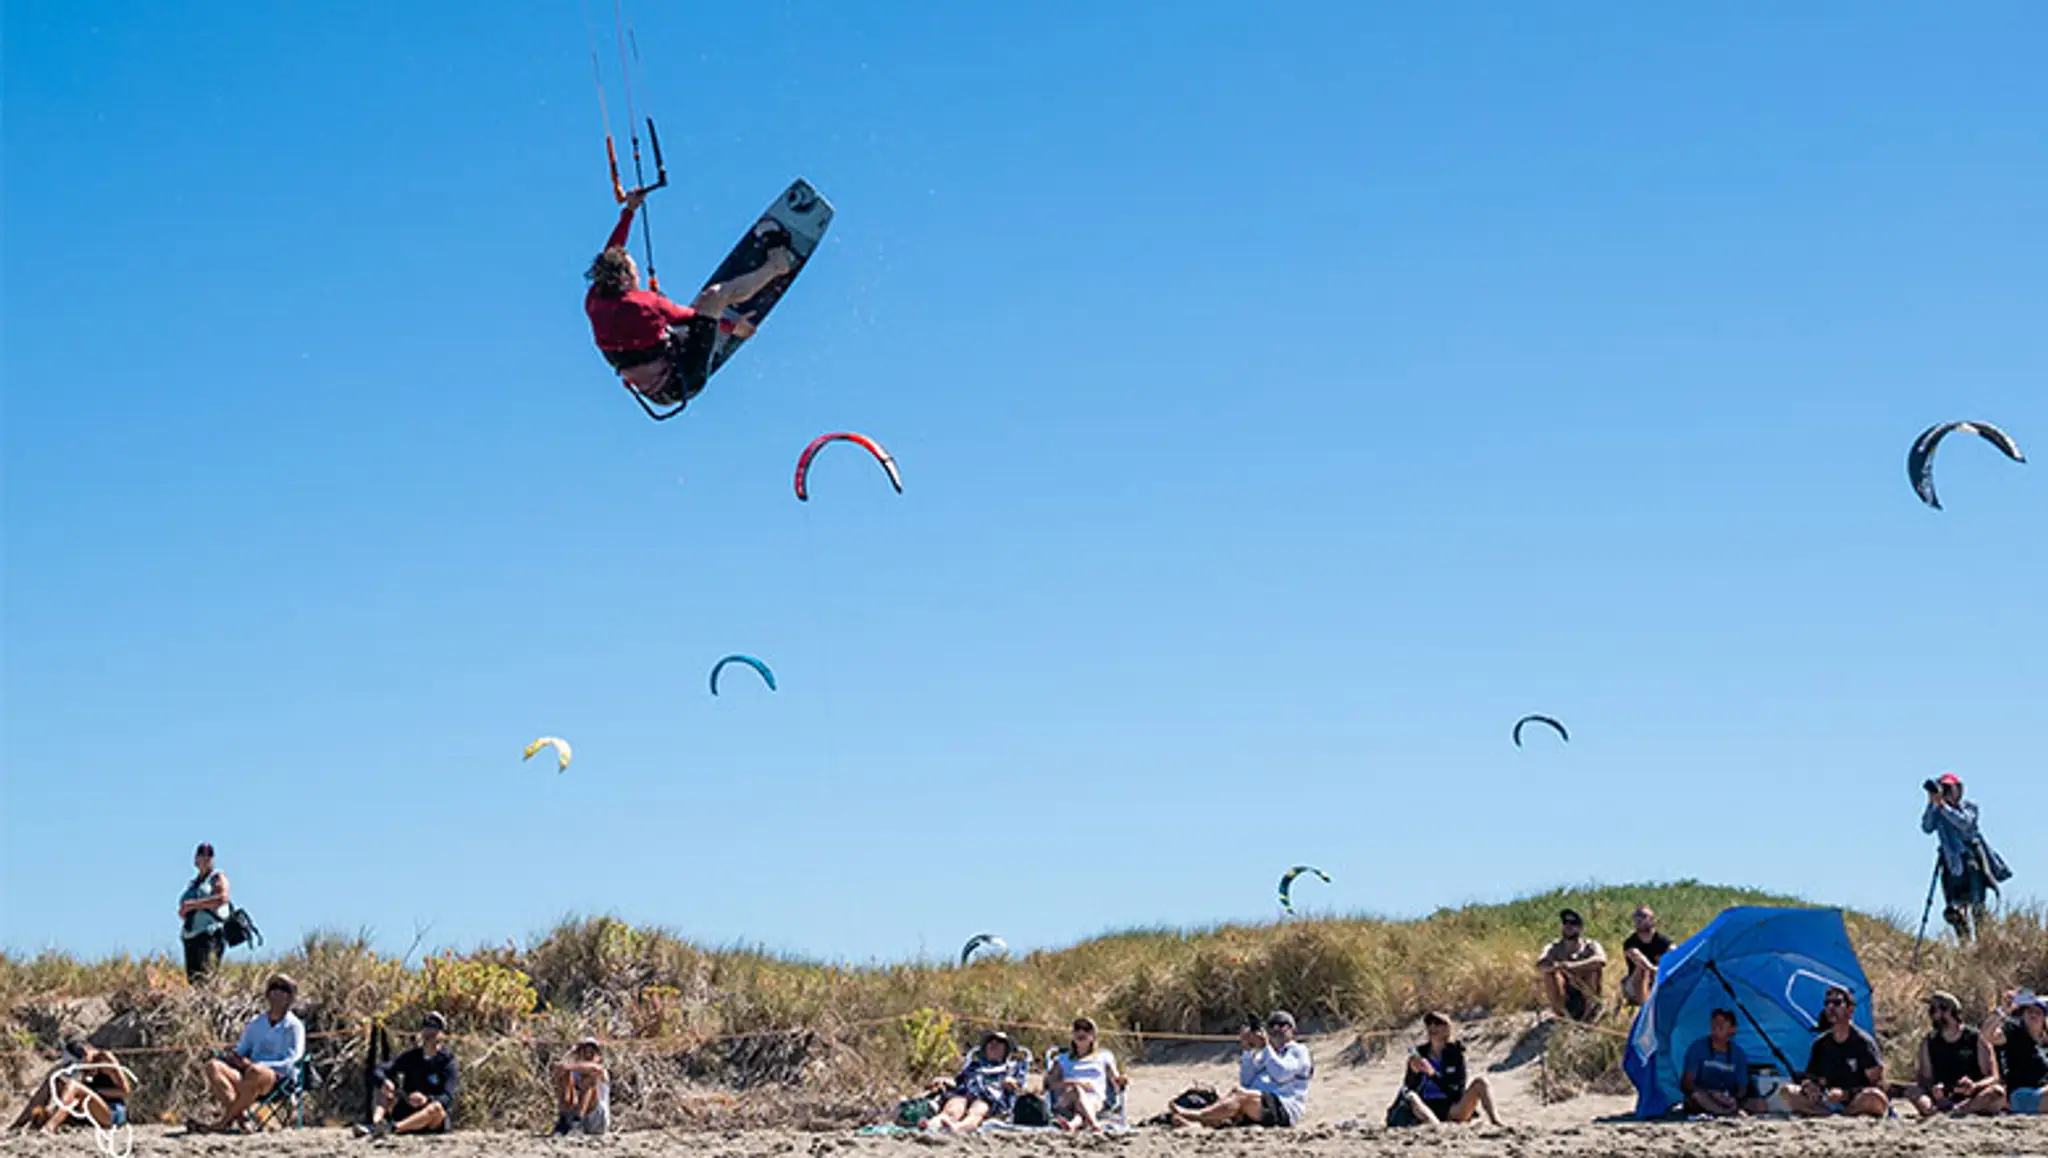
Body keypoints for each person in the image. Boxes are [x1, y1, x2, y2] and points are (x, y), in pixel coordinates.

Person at [585, 189, 796, 409]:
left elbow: (611, 253)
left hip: (654, 393)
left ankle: (682, 341)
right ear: (624, 276)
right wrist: (734, 327)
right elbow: (695, 319)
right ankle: (777, 265)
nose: (638, 274)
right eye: (634, 269)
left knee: (674, 323)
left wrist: (629, 211)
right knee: (713, 298)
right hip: (683, 379)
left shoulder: (595, 298)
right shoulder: (645, 305)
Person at [192, 973, 306, 1133]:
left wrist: (258, 1065)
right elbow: (242, 1050)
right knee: (213, 1066)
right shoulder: (256, 1024)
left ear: (289, 997)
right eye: (274, 988)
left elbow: (293, 1060)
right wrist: (235, 1058)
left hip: (278, 1079)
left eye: (283, 989)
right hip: (248, 1076)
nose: (277, 993)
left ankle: (223, 1122)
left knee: (256, 1071)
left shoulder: (294, 1026)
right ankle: (242, 1118)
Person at [1168, 1010, 1313, 1129]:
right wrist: (1247, 1050)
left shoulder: (1298, 1050)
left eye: (1282, 1025)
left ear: (1293, 1031)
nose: (1276, 1029)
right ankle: (1199, 1124)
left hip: (1284, 1107)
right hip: (1259, 1103)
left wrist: (1266, 1047)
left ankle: (1196, 1115)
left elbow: (1281, 1074)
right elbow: (1246, 1082)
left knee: (1239, 1095)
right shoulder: (1267, 1053)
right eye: (1271, 1026)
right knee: (1233, 1097)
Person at [1922, 773, 2012, 944]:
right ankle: (1964, 945)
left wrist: (1943, 807)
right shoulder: (1938, 810)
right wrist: (1931, 803)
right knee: (1952, 910)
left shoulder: (1970, 808)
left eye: (1950, 788)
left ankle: (1984, 947)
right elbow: (1927, 827)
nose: (1947, 792)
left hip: (1972, 862)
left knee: (1978, 909)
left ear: (1959, 789)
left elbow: (1964, 823)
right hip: (1950, 864)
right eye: (1944, 788)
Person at [1784, 986, 1888, 1118]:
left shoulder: (1863, 1042)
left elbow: (1878, 1084)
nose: (1831, 1008)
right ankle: (1828, 1114)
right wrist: (1810, 1087)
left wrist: (1846, 1094)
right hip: (1828, 1099)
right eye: (1827, 1003)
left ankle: (1844, 1114)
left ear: (1850, 1009)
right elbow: (1811, 1077)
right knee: (1787, 1091)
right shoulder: (1820, 1044)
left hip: (1856, 1100)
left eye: (1837, 1003)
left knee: (1874, 1097)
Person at [357, 1011, 458, 1137]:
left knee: (436, 1108)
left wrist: (426, 1099)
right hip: (407, 1108)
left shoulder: (447, 1062)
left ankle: (393, 1128)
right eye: (427, 1028)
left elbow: (448, 1097)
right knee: (385, 1091)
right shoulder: (412, 1056)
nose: (430, 1034)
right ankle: (375, 1125)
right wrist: (384, 1081)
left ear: (442, 1034)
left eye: (434, 1029)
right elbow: (379, 1069)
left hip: (430, 1117)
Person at [1905, 991, 2003, 1117]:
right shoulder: (1929, 1042)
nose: (1931, 1015)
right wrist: (1935, 1090)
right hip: (1940, 1096)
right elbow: (1925, 1077)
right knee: (1912, 1091)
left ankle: (1961, 1109)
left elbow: (1992, 1076)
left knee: (1997, 1092)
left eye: (1934, 1010)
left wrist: (1974, 1086)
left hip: (1971, 1096)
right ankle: (1934, 1110)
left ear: (1948, 1011)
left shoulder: (1975, 1038)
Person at [1392, 1012, 1499, 1126]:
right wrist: (1413, 1072)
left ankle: (1495, 1120)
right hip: (1425, 1106)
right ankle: (1436, 1126)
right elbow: (1409, 1087)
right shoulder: (1420, 1053)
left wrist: (1433, 1074)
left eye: (1439, 1024)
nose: (1433, 1027)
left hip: (1452, 1107)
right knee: (1412, 1096)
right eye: (1431, 1024)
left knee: (1481, 1082)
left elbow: (1456, 1090)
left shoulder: (1455, 1054)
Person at [7, 1042, 130, 1135]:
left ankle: (50, 1127)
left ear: (86, 1054)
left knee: (73, 1085)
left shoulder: (105, 1058)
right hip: (89, 1110)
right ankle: (19, 1124)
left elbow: (125, 1091)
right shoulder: (84, 1066)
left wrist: (95, 1092)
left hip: (112, 1113)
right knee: (54, 1081)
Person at [923, 1032, 1023, 1133]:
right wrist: (943, 1080)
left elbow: (1018, 1086)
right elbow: (957, 1081)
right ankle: (935, 1124)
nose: (994, 1044)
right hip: (965, 1093)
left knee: (977, 1109)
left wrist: (1010, 1083)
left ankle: (958, 1128)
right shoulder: (974, 1066)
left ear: (1005, 1050)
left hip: (989, 1098)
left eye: (999, 1042)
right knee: (955, 1105)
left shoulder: (1011, 1068)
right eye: (991, 1042)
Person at [1045, 1017, 1125, 1132]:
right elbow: (1050, 1084)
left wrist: (1121, 1081)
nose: (1081, 1032)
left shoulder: (1104, 1056)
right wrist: (1075, 1083)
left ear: (1093, 1035)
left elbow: (1115, 1079)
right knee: (1077, 1091)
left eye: (1086, 1029)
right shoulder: (1062, 1059)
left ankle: (1073, 1124)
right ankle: (1095, 1124)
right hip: (1067, 1097)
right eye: (1077, 1029)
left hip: (1096, 1098)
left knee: (1084, 1102)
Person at [1981, 988, 2048, 1115]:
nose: (2033, 1015)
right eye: (2029, 1011)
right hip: (2022, 1095)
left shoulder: (2043, 1044)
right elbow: (1987, 1035)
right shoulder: (2014, 1033)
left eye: (2038, 1012)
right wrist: (2003, 1011)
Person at [1536, 909, 1607, 1022]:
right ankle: (1561, 1015)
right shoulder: (1553, 947)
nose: (1568, 926)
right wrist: (1558, 967)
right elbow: (1540, 963)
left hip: (1587, 992)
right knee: (1550, 975)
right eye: (1565, 922)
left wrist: (1573, 966)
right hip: (1565, 994)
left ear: (1580, 928)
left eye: (1573, 923)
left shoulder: (1591, 945)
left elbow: (1601, 960)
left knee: (1593, 970)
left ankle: (1589, 1015)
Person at [1679, 1009, 1750, 1117]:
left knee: (1760, 1104)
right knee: (1697, 1097)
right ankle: (1724, 1113)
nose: (1716, 1028)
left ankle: (1726, 1110)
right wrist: (1711, 1094)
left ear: (1732, 1030)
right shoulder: (1698, 1048)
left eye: (1722, 1025)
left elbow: (1742, 1087)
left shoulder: (1738, 1054)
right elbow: (1687, 1083)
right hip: (1702, 1095)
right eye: (1714, 1024)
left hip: (1727, 1098)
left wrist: (1733, 1098)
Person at [178, 842, 231, 984]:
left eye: (209, 854)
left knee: (208, 975)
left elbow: (223, 898)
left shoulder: (217, 877)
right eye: (202, 853)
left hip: (209, 933)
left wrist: (194, 905)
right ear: (196, 859)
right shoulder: (193, 884)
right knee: (194, 979)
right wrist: (185, 910)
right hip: (190, 936)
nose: (206, 857)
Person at [551, 1037, 610, 1136]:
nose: (588, 1055)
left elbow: (594, 1069)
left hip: (595, 1120)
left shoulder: (602, 1071)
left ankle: (578, 1120)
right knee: (564, 1075)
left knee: (589, 1078)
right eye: (585, 1052)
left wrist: (567, 1066)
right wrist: (571, 1053)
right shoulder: (574, 1071)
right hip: (573, 1110)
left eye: (592, 1052)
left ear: (599, 1056)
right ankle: (564, 1120)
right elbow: (558, 1069)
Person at [1619, 905, 1674, 1007]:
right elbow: (1636, 955)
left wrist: (1659, 970)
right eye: (1636, 916)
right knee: (1643, 969)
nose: (1638, 919)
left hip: (1659, 980)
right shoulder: (1630, 942)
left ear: (1652, 920)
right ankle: (1645, 1009)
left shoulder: (1662, 941)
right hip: (1634, 985)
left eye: (1643, 916)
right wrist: (1653, 969)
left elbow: (1675, 955)